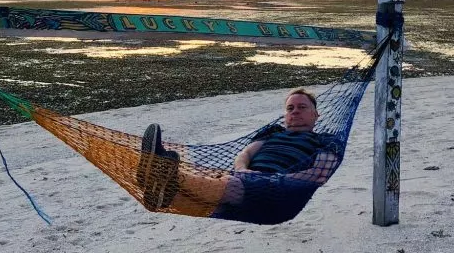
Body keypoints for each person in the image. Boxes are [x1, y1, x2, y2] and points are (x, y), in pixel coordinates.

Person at [135, 88, 341, 224]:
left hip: (280, 193)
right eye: (290, 108)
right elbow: (245, 153)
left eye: (302, 107)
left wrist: (279, 180)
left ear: (316, 115)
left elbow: (319, 173)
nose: (295, 111)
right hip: (246, 180)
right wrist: (243, 169)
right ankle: (158, 190)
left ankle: (162, 170)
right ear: (285, 115)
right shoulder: (274, 132)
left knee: (231, 185)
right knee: (208, 198)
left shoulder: (325, 140)